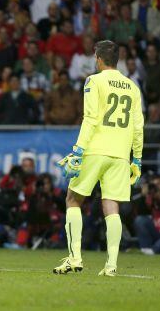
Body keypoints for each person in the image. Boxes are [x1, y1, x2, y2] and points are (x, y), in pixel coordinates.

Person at [54, 40, 144, 277]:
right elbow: (138, 127)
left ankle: (75, 258)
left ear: (99, 58)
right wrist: (137, 159)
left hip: (96, 150)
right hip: (121, 155)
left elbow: (91, 118)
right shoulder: (132, 87)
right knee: (111, 206)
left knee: (73, 200)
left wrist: (78, 150)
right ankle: (111, 266)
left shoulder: (93, 81)